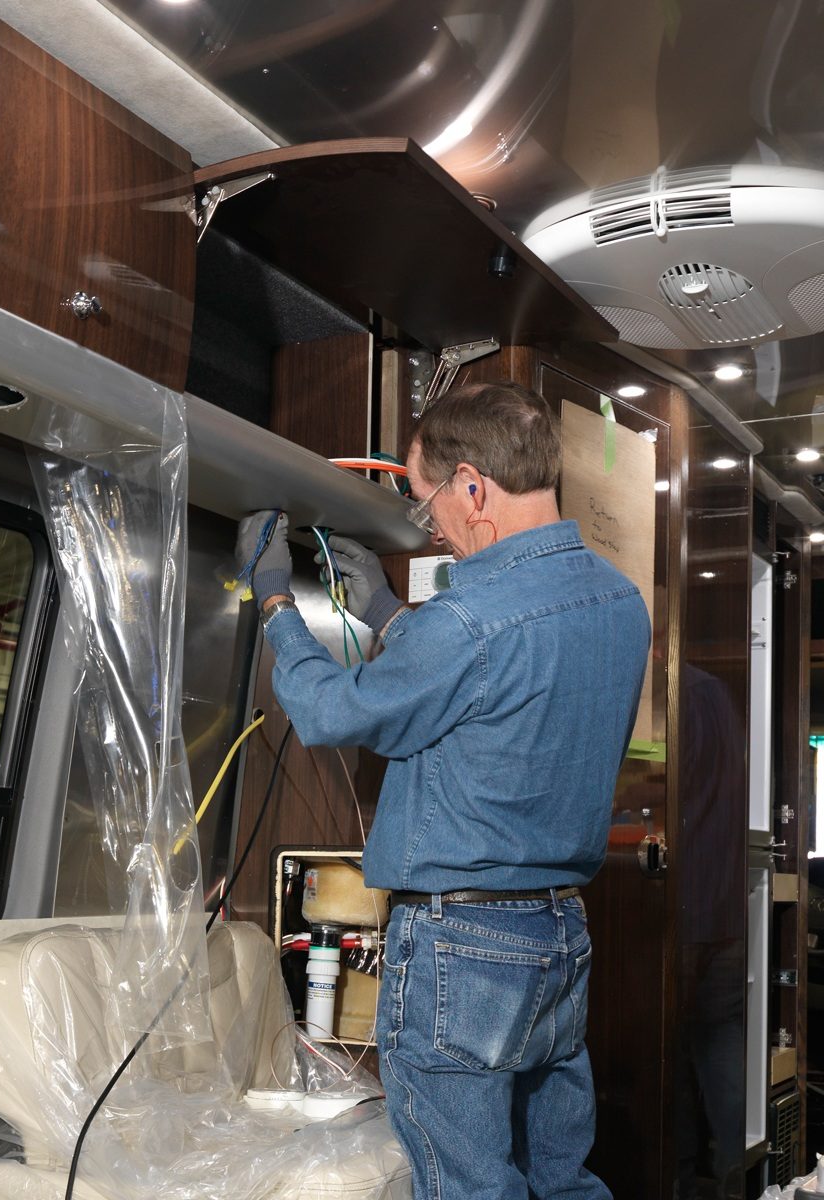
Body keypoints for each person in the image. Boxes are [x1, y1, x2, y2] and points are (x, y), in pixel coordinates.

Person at [235, 381, 650, 1200]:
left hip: (464, 944)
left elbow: (329, 711)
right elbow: (496, 696)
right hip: (558, 934)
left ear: (472, 485)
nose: (433, 528)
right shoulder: (619, 600)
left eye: (429, 506)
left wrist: (274, 597)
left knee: (468, 1187)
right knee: (560, 1179)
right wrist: (391, 613)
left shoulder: (469, 622)